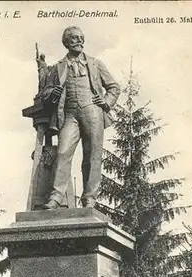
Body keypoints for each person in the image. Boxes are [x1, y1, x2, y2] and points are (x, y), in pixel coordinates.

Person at [42, 26, 120, 209]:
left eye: (81, 38)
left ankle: (89, 198)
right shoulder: (58, 67)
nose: (79, 41)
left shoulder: (95, 64)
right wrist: (53, 93)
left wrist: (106, 102)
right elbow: (46, 93)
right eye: (75, 38)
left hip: (92, 112)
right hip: (69, 115)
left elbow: (114, 87)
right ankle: (56, 197)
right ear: (66, 42)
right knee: (62, 152)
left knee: (92, 155)